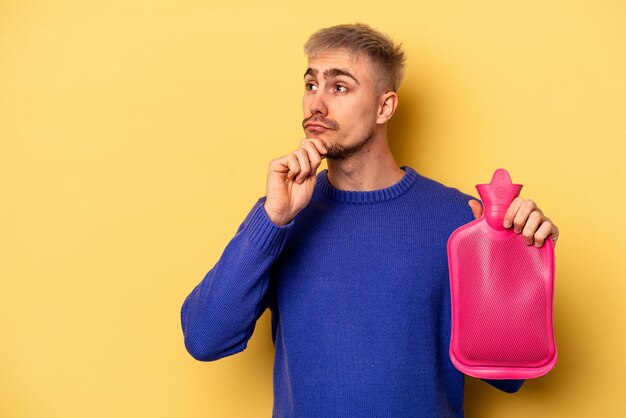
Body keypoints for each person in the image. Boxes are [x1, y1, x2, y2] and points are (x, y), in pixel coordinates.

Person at [180, 23, 560, 417]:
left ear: (384, 107)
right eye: (311, 85)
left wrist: (520, 258)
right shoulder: (282, 213)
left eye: (339, 87)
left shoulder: (458, 219)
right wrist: (272, 221)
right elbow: (205, 338)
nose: (317, 105)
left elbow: (508, 377)